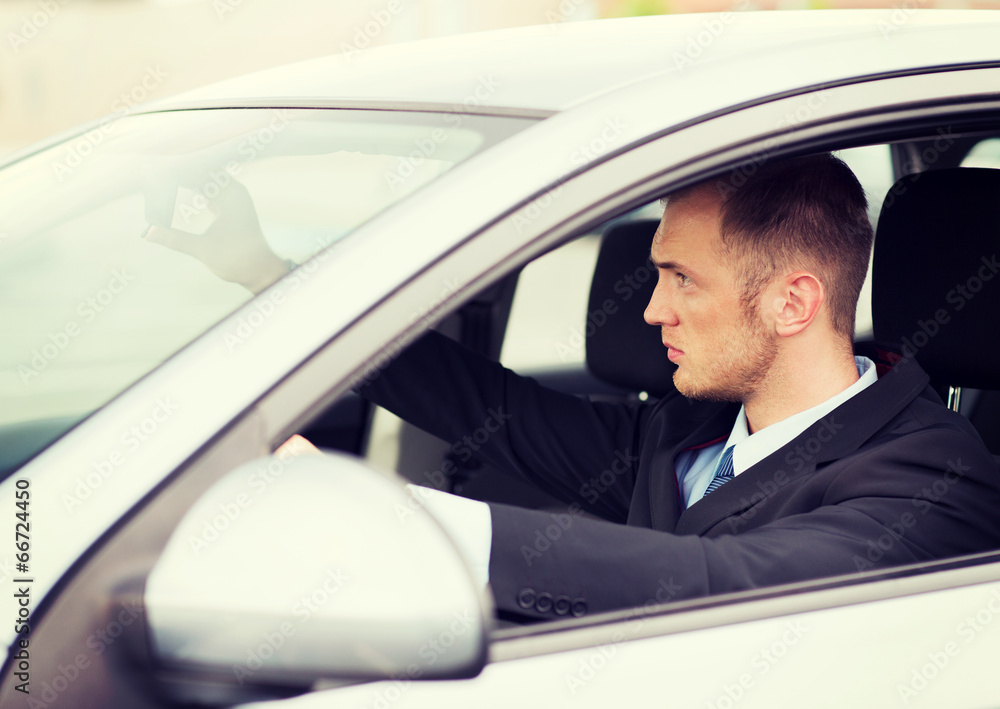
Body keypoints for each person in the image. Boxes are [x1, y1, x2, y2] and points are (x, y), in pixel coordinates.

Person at [148, 153, 1000, 622]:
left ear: (793, 300)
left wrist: (381, 519)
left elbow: (721, 579)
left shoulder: (934, 478)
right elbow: (494, 410)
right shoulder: (687, 431)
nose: (653, 307)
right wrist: (258, 269)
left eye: (681, 278)